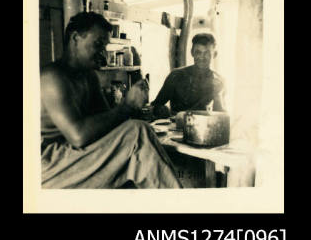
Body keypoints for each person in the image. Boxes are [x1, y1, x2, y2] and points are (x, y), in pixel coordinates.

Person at [40, 11, 182, 189]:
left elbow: (109, 124)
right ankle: (178, 203)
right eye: (98, 44)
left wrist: (137, 108)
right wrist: (126, 106)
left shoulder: (89, 77)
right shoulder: (52, 77)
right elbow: (78, 136)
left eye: (104, 47)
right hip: (48, 165)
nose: (102, 53)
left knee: (137, 143)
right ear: (75, 38)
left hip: (74, 156)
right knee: (136, 134)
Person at [151, 33, 226, 117]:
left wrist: (216, 94)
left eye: (207, 53)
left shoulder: (219, 81)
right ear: (192, 53)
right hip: (175, 127)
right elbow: (155, 105)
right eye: (198, 52)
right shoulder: (176, 75)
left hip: (202, 127)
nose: (202, 57)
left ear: (215, 54)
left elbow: (221, 117)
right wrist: (162, 110)